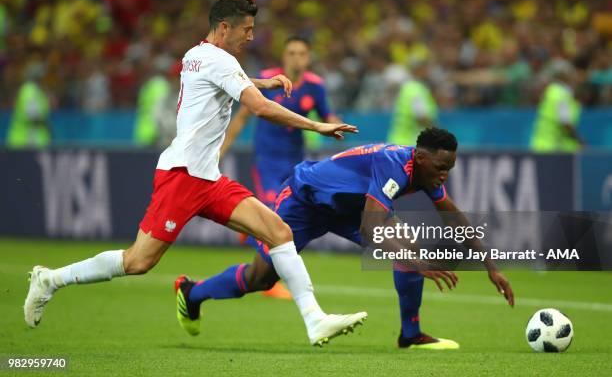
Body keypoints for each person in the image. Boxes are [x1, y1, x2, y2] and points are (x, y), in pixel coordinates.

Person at [24, 0, 366, 347]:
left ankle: (315, 320)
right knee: (139, 261)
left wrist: (262, 81)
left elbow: (228, 80)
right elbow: (259, 109)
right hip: (182, 177)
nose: (251, 37)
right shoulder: (219, 60)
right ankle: (50, 280)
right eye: (246, 30)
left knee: (278, 231)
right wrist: (317, 127)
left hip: (209, 179)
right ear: (224, 28)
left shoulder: (196, 54)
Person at [179, 128, 515, 349]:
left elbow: (451, 214)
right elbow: (372, 228)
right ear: (422, 157)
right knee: (261, 278)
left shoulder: (427, 172)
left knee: (408, 245)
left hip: (347, 210)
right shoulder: (394, 164)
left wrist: (490, 266)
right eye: (442, 167)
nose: (445, 175)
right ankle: (192, 293)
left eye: (450, 169)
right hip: (303, 201)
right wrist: (418, 262)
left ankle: (410, 334)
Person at [221, 36, 340, 299]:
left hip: (296, 164)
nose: (296, 58)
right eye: (291, 53)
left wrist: (336, 123)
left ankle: (249, 231)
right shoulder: (267, 80)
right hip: (267, 162)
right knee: (276, 215)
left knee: (283, 217)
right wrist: (221, 150)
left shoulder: (315, 87)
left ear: (307, 58)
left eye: (301, 53)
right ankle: (269, 278)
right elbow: (241, 118)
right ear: (284, 56)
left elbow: (325, 117)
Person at [530, 66, 584, 152]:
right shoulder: (561, 95)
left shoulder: (551, 91)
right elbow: (565, 122)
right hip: (552, 147)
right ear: (567, 79)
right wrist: (579, 140)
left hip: (540, 144)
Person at [387, 60, 438, 146]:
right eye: (425, 69)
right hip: (409, 144)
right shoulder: (416, 90)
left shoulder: (407, 87)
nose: (428, 72)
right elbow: (421, 117)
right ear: (418, 70)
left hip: (397, 141)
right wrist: (437, 133)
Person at [6, 64, 51, 149]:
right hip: (24, 141)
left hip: (31, 141)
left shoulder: (36, 90)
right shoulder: (29, 90)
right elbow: (32, 115)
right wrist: (45, 124)